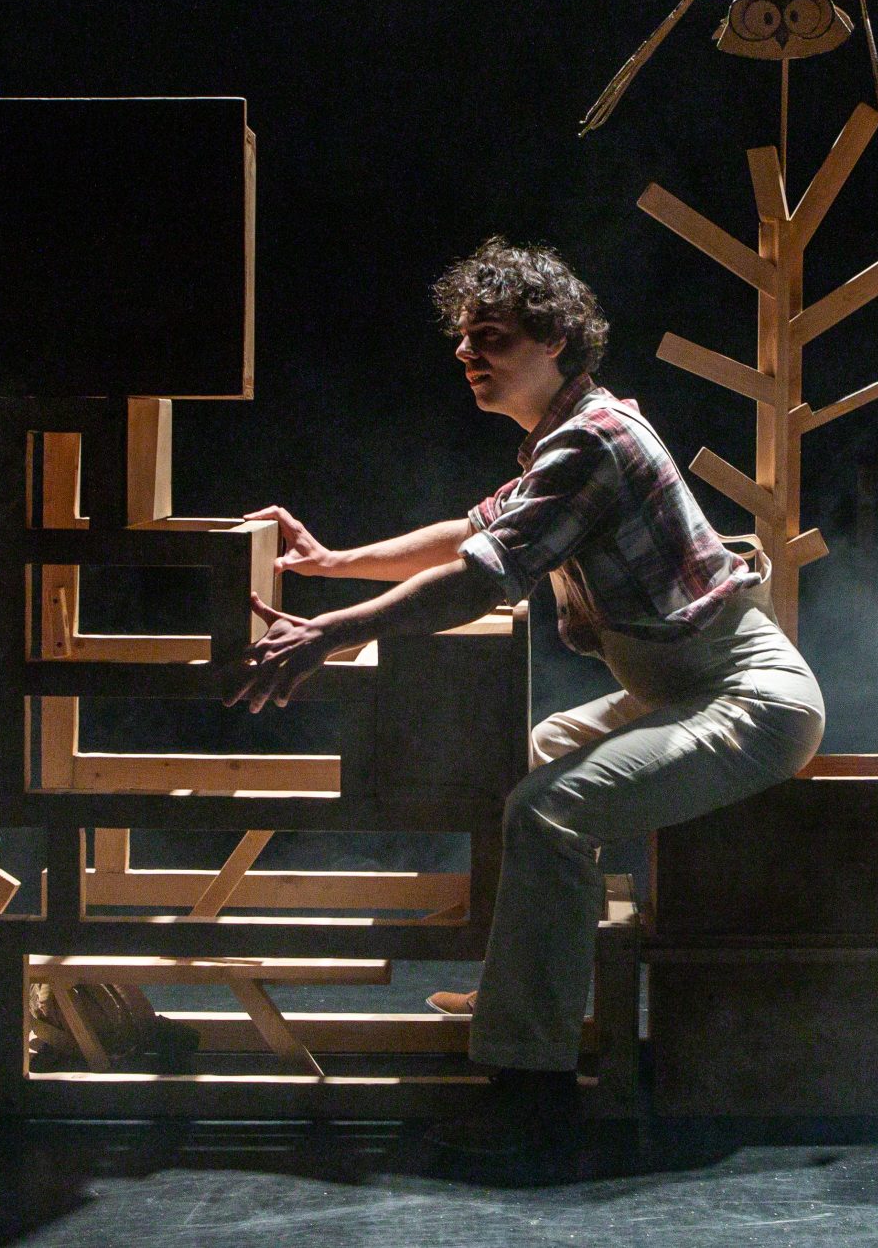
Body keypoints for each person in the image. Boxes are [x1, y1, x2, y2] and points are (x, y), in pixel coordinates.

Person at [236, 237, 825, 1153]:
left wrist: (330, 630)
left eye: (494, 338)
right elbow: (469, 533)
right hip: (687, 686)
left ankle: (534, 1086)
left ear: (555, 340)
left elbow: (481, 576)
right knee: (546, 749)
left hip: (747, 698)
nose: (468, 353)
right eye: (465, 337)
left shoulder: (593, 441)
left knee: (549, 810)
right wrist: (334, 563)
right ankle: (526, 993)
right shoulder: (568, 435)